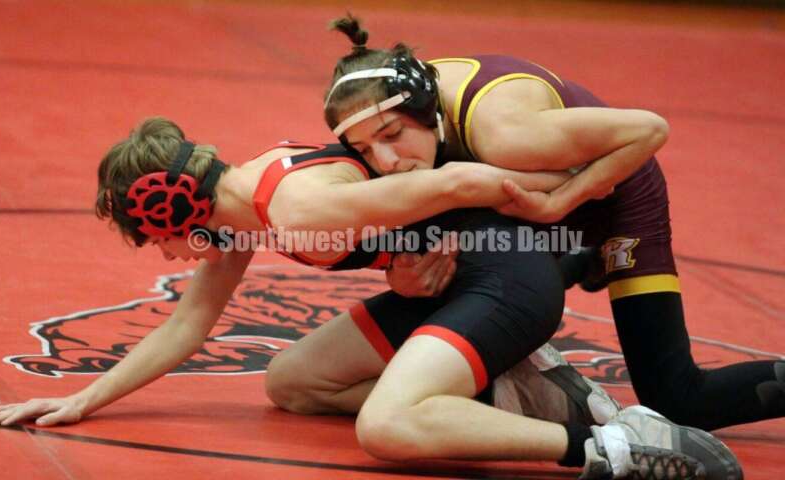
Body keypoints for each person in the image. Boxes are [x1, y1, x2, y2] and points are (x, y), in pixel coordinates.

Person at [0, 119, 740, 479]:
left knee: (387, 427)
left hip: (503, 272)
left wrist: (566, 205)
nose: (163, 254)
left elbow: (454, 185)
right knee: (293, 380)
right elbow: (189, 321)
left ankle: (614, 449)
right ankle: (530, 390)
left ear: (174, 210)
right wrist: (85, 400)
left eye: (154, 239)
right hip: (457, 272)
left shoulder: (295, 207)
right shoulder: (242, 205)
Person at [321, 14, 784, 434]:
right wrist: (399, 274)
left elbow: (649, 129)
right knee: (471, 257)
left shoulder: (506, 135)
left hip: (614, 191)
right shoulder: (384, 93)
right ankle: (576, 261)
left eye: (393, 136)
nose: (384, 160)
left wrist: (560, 202)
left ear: (426, 113)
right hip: (516, 191)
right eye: (364, 149)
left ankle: (585, 252)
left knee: (679, 399)